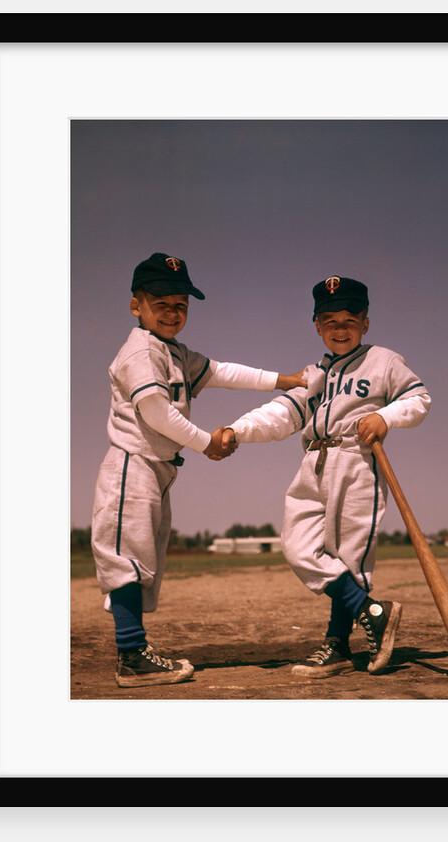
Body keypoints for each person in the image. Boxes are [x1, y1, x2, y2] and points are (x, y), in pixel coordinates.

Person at [91, 252, 306, 688]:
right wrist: (206, 441)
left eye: (181, 305)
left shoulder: (171, 351)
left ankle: (135, 651)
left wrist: (284, 379)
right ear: (137, 306)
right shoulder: (139, 352)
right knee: (126, 559)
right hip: (132, 465)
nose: (172, 312)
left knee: (142, 558)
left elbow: (222, 371)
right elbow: (155, 412)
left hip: (157, 470)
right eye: (161, 303)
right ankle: (132, 657)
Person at [220, 275, 431, 678]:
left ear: (365, 323)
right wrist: (237, 430)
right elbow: (282, 413)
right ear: (316, 325)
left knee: (349, 557)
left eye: (349, 319)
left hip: (356, 461)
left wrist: (385, 416)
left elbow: (418, 398)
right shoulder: (315, 374)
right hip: (313, 460)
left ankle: (335, 645)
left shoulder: (384, 360)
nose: (339, 328)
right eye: (329, 320)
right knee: (298, 547)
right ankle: (373, 613)